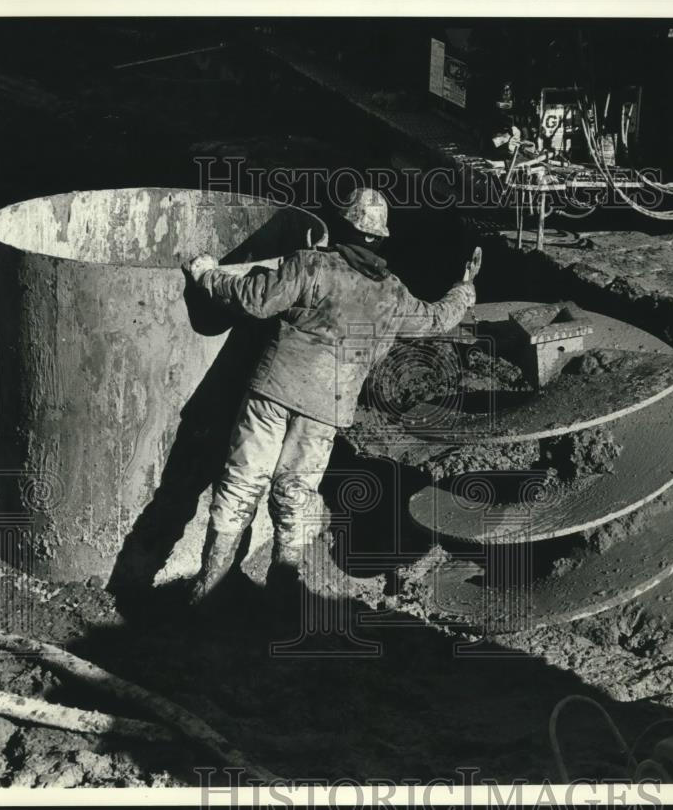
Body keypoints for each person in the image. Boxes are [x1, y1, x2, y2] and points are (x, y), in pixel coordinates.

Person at [182, 188, 481, 604]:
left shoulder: (312, 266)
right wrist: (464, 289)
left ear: (343, 226)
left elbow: (253, 300)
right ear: (379, 238)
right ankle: (283, 589)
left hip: (275, 392)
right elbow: (436, 319)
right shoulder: (392, 294)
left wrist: (205, 274)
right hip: (328, 408)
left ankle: (209, 584)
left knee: (242, 481)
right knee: (296, 493)